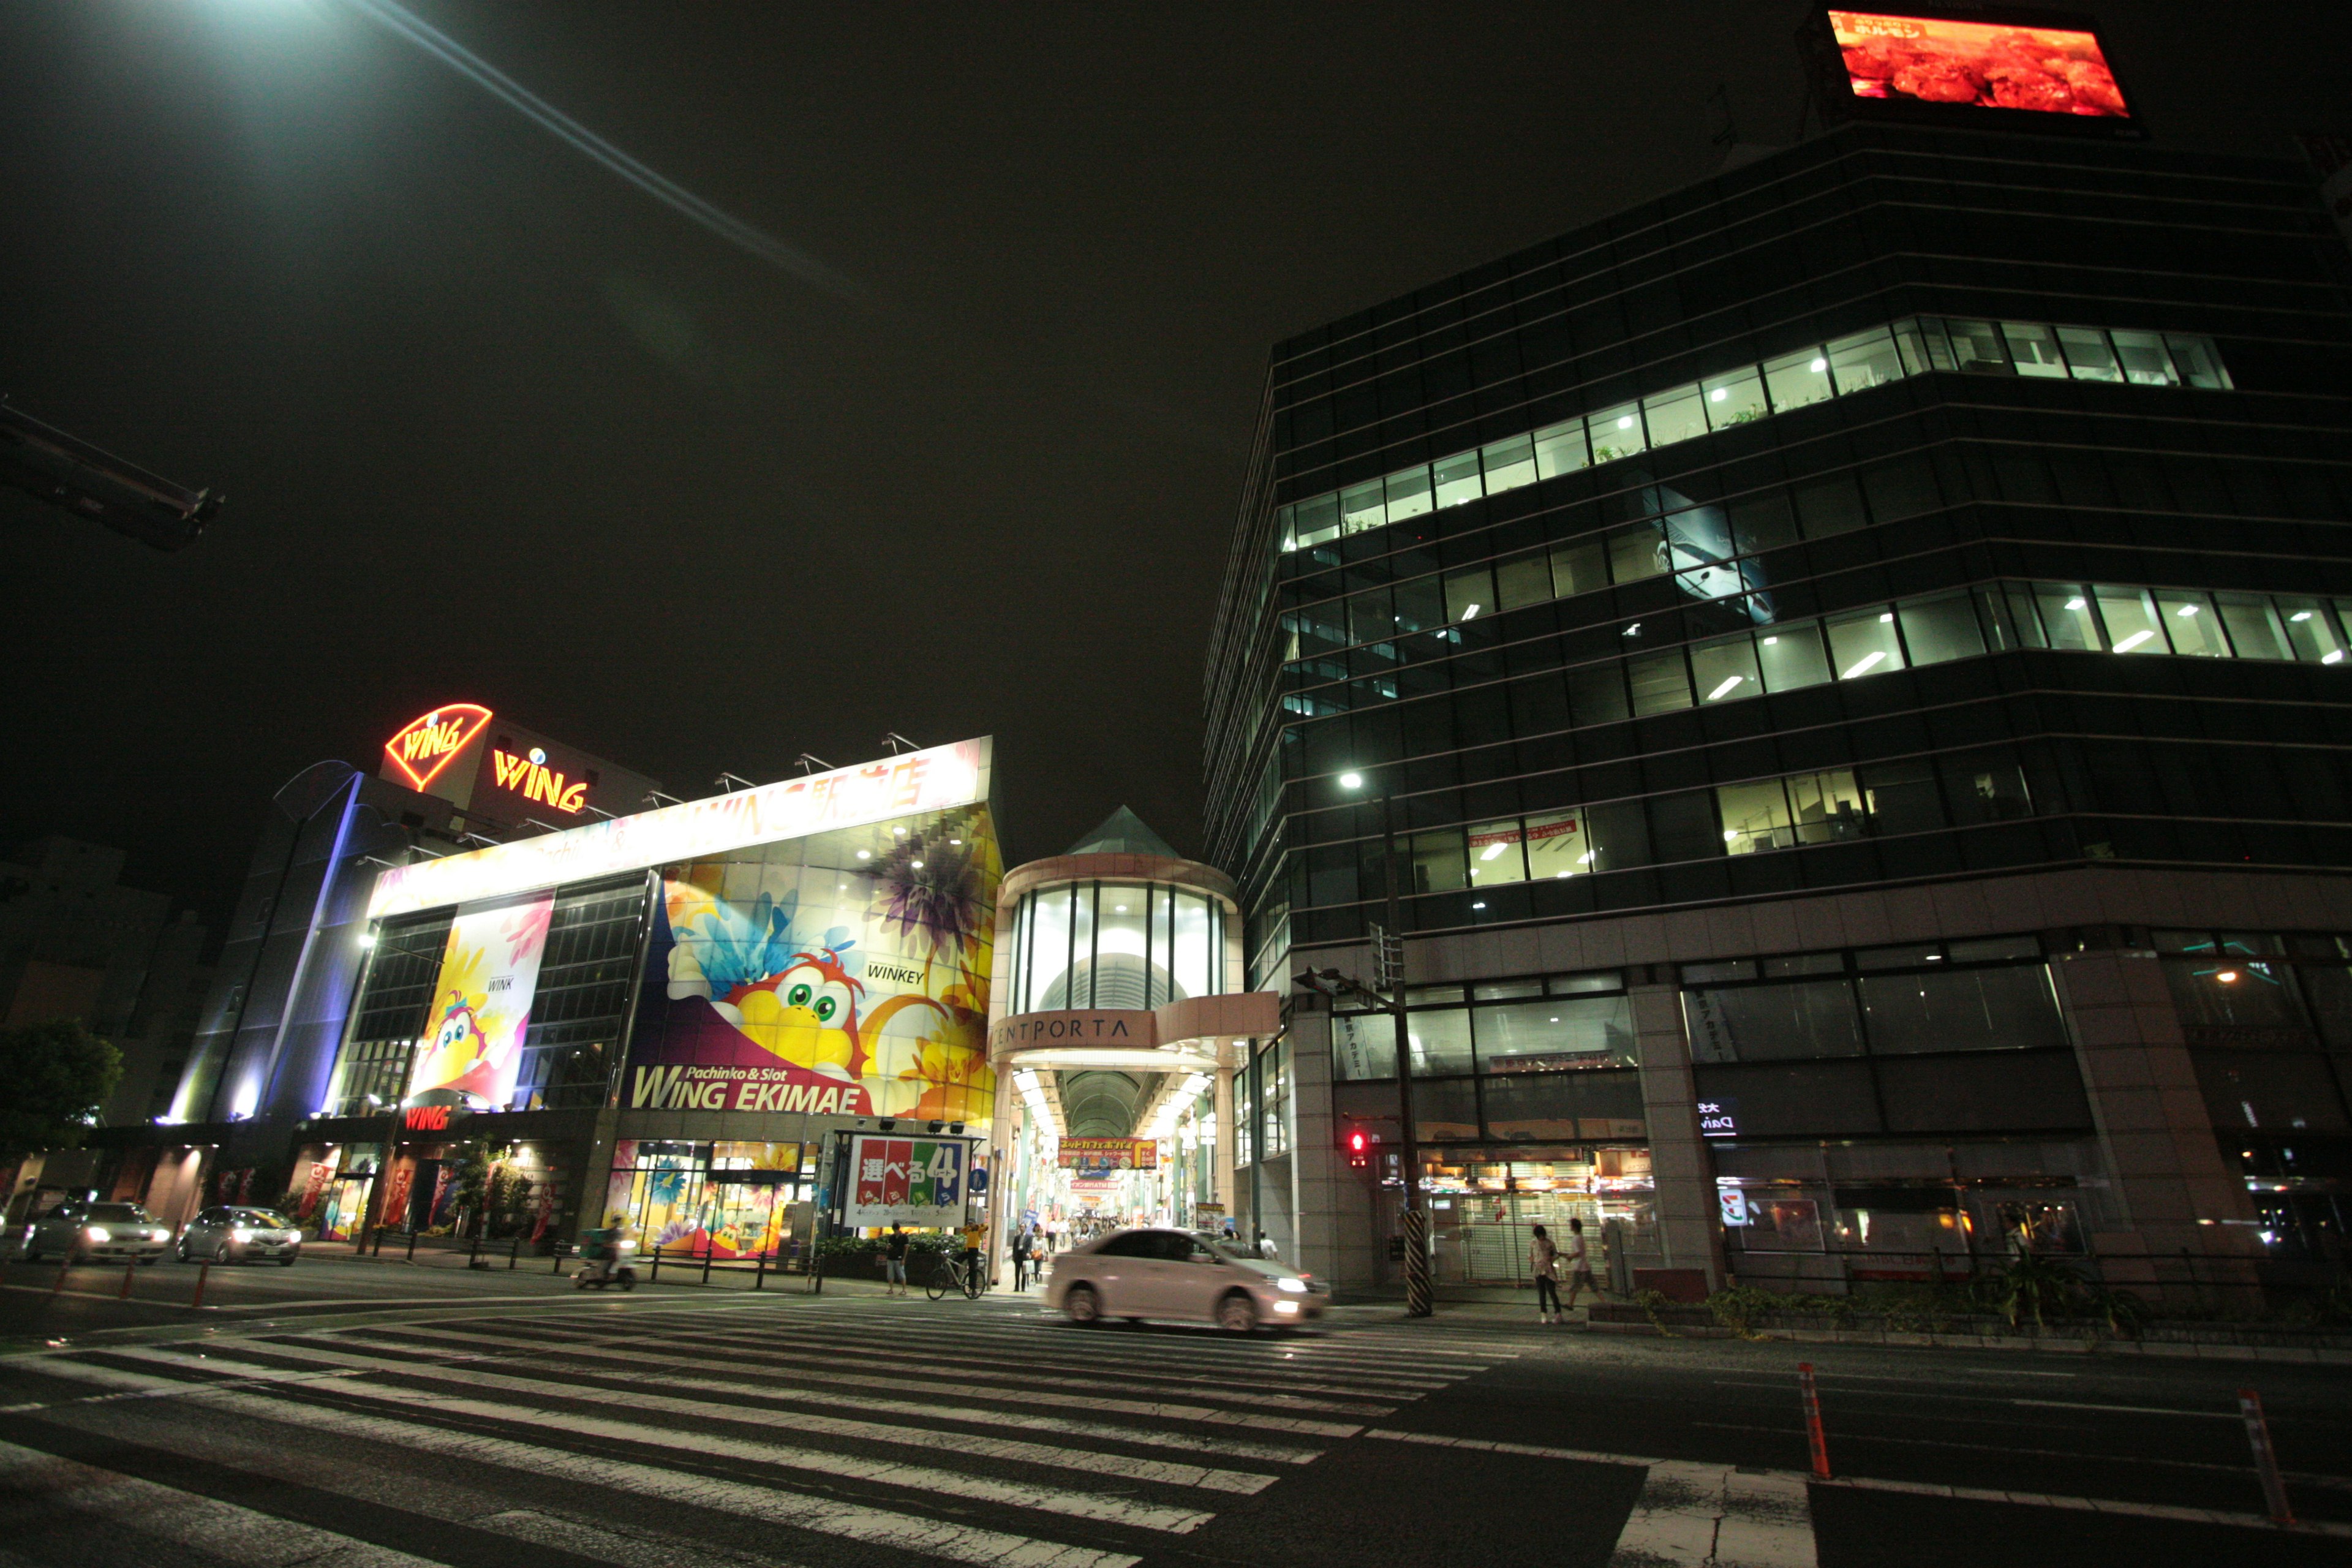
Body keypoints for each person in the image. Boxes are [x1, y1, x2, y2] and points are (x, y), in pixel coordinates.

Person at [1561, 1216, 1596, 1312]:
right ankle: (1605, 1302)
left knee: (1575, 1286)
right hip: (1585, 1266)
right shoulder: (1580, 1237)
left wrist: (1570, 1257)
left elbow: (1578, 1252)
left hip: (1580, 1267)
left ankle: (1570, 1304)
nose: (1570, 1227)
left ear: (1574, 1227)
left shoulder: (1576, 1238)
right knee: (1593, 1286)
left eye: (1571, 1225)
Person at [1529, 1222, 1562, 1324]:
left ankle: (1558, 1313)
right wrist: (1532, 1260)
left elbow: (1556, 1254)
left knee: (1552, 1292)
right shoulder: (1533, 1243)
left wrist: (1551, 1259)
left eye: (1542, 1235)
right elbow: (1530, 1255)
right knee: (1542, 1293)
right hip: (1538, 1270)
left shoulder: (1550, 1243)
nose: (1541, 1237)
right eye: (1539, 1236)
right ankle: (1544, 1314)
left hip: (1548, 1270)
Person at [960, 1217, 987, 1291]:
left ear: (975, 1224)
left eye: (971, 1223)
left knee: (972, 1269)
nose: (970, 1225)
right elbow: (962, 1231)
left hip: (974, 1250)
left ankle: (973, 1287)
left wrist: (979, 1225)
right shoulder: (968, 1230)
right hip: (967, 1250)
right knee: (957, 1260)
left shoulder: (978, 1230)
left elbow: (986, 1227)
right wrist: (967, 1226)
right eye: (969, 1223)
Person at [883, 1224, 910, 1296]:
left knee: (901, 1274)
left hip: (899, 1258)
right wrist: (888, 1248)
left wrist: (904, 1259)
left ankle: (904, 1290)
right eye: (894, 1231)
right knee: (890, 1274)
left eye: (896, 1230)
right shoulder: (892, 1237)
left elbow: (906, 1248)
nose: (895, 1232)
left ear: (898, 1230)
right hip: (891, 1257)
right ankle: (891, 1289)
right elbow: (889, 1246)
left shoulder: (904, 1237)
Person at [1011, 1225, 1032, 1291]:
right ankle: (1017, 1287)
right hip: (1018, 1256)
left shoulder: (1029, 1237)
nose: (1021, 1228)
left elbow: (1030, 1246)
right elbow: (1014, 1247)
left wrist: (1028, 1253)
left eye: (1023, 1227)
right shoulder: (1017, 1237)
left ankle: (1023, 1287)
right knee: (1017, 1273)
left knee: (1024, 1273)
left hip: (1024, 1256)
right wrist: (1014, 1256)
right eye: (1020, 1227)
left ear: (1025, 1228)